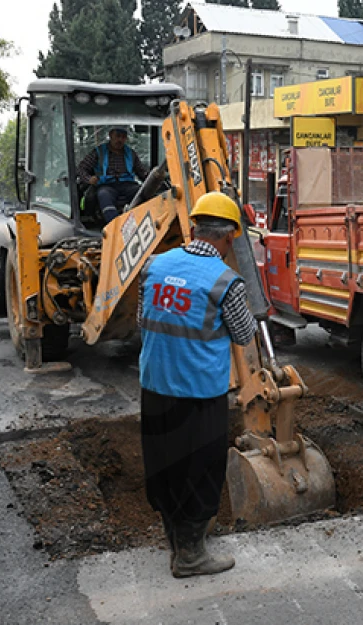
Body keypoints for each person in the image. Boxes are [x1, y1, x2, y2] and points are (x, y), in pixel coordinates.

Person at [137, 192, 255, 578]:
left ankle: (176, 538)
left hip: (154, 389)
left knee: (164, 465)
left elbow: (143, 318)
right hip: (198, 395)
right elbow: (242, 334)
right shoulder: (226, 282)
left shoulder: (153, 266)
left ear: (192, 228)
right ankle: (190, 556)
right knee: (199, 471)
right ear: (229, 237)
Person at [76, 126, 150, 224]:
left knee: (141, 192)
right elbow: (81, 168)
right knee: (104, 195)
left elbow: (141, 172)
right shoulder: (99, 152)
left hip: (127, 184)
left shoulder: (131, 153)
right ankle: (114, 224)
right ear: (110, 135)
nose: (120, 140)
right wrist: (89, 179)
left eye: (123, 137)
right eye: (118, 136)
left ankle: (140, 222)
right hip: (106, 184)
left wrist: (153, 179)